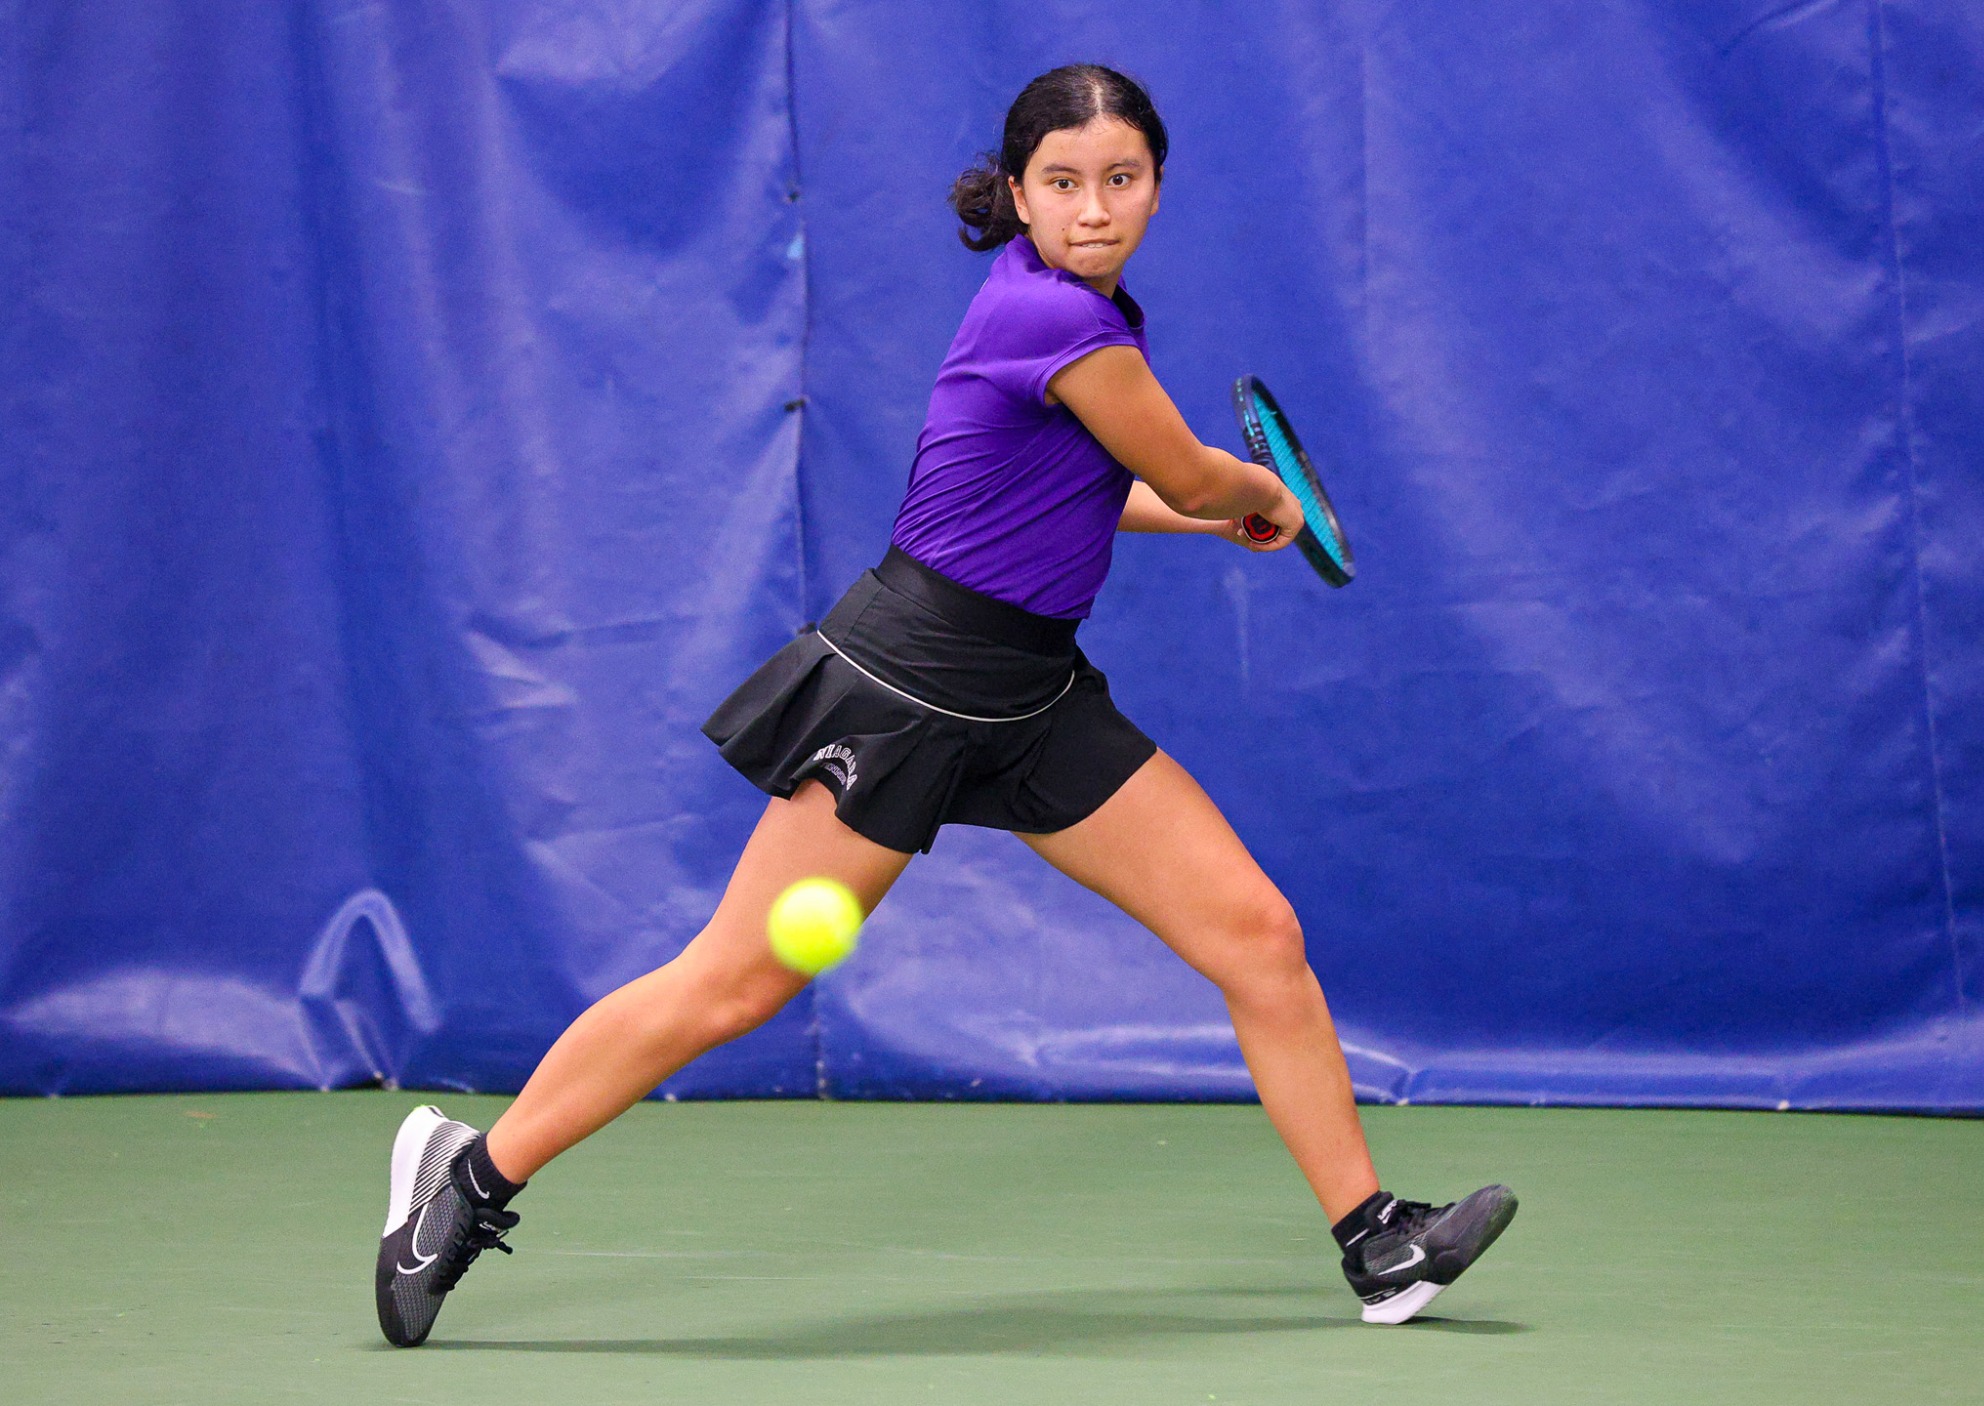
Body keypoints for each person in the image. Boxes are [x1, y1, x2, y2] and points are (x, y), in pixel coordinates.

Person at [375, 63, 1515, 1348]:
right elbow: (1190, 472)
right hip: (904, 692)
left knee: (1255, 932)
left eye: (1122, 180)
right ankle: (462, 1185)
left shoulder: (1079, 318)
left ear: (1155, 185)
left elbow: (1093, 492)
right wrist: (1252, 496)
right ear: (1018, 194)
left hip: (1033, 697)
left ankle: (1373, 1239)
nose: (1095, 208)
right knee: (736, 983)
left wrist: (1220, 507)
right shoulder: (1056, 322)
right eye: (1063, 183)